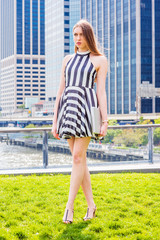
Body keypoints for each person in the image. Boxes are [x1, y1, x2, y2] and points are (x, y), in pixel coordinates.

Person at [52, 19, 108, 224]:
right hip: (68, 109)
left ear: (88, 36)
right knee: (80, 160)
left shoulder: (99, 60)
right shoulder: (67, 60)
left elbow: (100, 91)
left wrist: (105, 120)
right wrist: (54, 119)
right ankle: (91, 206)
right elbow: (60, 90)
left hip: (85, 109)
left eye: (81, 35)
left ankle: (69, 207)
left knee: (77, 157)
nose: (77, 39)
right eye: (75, 35)